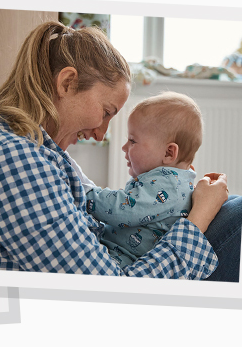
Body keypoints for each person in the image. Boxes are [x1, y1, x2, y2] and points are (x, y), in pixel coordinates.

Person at [0, 20, 242, 280]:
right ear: (67, 83)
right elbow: (113, 289)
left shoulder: (32, 146)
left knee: (241, 213)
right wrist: (200, 216)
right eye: (106, 111)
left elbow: (92, 201)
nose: (101, 134)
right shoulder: (11, 160)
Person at [86, 91, 204, 267]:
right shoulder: (170, 179)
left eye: (133, 141)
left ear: (168, 153)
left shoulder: (169, 184)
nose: (125, 147)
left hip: (123, 260)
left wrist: (86, 193)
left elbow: (123, 209)